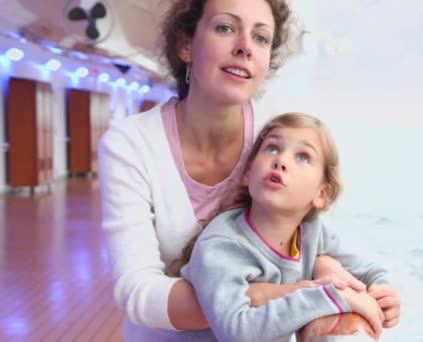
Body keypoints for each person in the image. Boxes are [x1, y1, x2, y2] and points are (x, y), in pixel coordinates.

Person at [98, 0, 367, 340]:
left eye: (261, 38)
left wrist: (326, 266)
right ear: (186, 44)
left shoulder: (277, 129)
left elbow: (308, 232)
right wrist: (280, 295)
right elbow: (138, 293)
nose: (244, 47)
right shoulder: (131, 144)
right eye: (225, 28)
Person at [173, 113, 401, 341]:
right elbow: (237, 332)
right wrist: (328, 297)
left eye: (303, 156)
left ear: (322, 194)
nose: (281, 160)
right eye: (272, 148)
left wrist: (383, 293)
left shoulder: (312, 230)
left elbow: (370, 271)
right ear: (248, 172)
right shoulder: (223, 245)